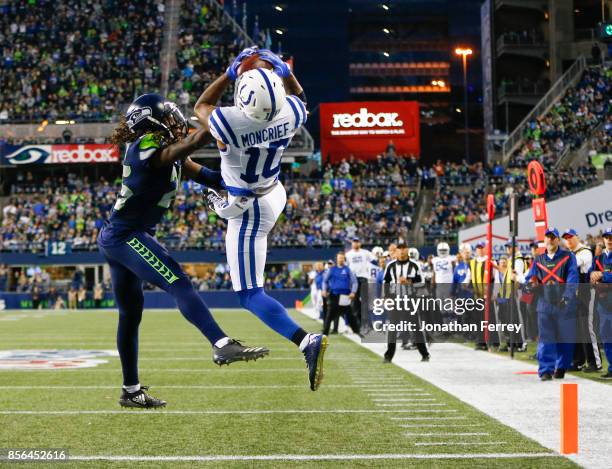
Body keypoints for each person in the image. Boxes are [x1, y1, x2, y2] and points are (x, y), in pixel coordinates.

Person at [98, 93, 269, 408]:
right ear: (153, 121)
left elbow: (208, 176)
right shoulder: (146, 145)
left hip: (122, 235)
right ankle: (220, 343)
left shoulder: (166, 151)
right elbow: (187, 146)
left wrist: (247, 186)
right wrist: (216, 122)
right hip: (126, 235)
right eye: (171, 116)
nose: (176, 121)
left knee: (130, 314)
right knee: (178, 281)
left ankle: (131, 391)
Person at [193, 47, 328, 391]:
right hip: (273, 192)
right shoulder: (290, 113)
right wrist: (285, 71)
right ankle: (220, 192)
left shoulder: (231, 121)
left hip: (248, 207)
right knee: (230, 186)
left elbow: (201, 107)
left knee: (250, 294)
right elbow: (301, 99)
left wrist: (229, 72)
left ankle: (303, 340)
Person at [523, 228, 579, 381]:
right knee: (546, 338)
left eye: (553, 237)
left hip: (564, 304)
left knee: (566, 339)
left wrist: (567, 297)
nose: (550, 240)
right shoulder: (538, 259)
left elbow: (573, 278)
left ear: (557, 240)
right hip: (545, 304)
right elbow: (530, 279)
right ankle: (546, 370)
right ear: (545, 240)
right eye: (548, 237)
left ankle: (561, 367)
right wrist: (529, 286)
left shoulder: (569, 257)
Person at [382, 242, 429, 363]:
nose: (402, 251)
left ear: (407, 250)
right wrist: (386, 297)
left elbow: (422, 282)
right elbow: (386, 282)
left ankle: (424, 354)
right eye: (400, 249)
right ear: (396, 251)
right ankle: (388, 356)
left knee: (416, 328)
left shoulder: (415, 265)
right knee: (392, 329)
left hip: (410, 300)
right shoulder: (390, 266)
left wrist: (410, 282)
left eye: (404, 249)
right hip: (396, 300)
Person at [562, 229, 601, 372]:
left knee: (587, 328)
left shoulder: (584, 252)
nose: (568, 240)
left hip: (586, 293)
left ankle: (595, 362)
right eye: (566, 238)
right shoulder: (570, 254)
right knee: (577, 328)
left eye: (570, 237)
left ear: (577, 237)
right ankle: (577, 361)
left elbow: (574, 265)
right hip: (575, 295)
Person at [589, 227, 612, 379]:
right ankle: (611, 368)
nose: (609, 240)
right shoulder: (598, 259)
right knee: (606, 336)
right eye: (607, 237)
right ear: (603, 239)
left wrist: (602, 276)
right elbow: (590, 277)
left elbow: (602, 276)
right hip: (603, 303)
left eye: (611, 237)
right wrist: (593, 276)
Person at [322, 253, 359, 335]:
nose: (341, 259)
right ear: (337, 259)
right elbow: (325, 281)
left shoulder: (348, 269)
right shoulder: (332, 269)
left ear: (344, 259)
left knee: (349, 315)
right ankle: (325, 333)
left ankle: (357, 331)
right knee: (329, 315)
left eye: (342, 258)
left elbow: (354, 282)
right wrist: (324, 290)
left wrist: (353, 292)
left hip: (345, 296)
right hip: (334, 295)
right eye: (339, 258)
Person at [345, 237, 376, 329]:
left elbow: (374, 260)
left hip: (363, 278)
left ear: (360, 243)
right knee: (355, 302)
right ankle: (358, 323)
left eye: (357, 242)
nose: (356, 243)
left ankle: (367, 323)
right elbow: (346, 267)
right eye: (354, 242)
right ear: (352, 243)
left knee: (365, 302)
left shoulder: (365, 252)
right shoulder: (348, 254)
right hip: (353, 279)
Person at [469, 242, 488, 350]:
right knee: (477, 319)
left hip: (487, 296)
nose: (480, 250)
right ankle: (480, 341)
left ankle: (487, 341)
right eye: (478, 248)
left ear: (485, 249)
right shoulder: (472, 262)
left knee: (487, 319)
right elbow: (469, 277)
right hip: (476, 295)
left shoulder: (489, 261)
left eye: (481, 248)